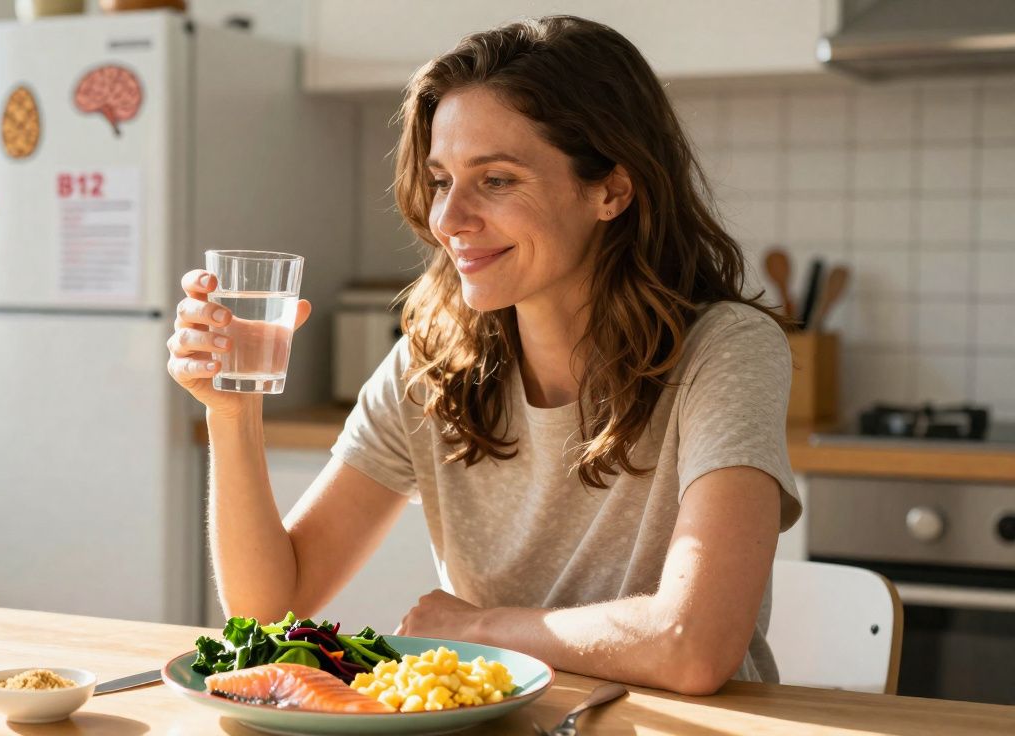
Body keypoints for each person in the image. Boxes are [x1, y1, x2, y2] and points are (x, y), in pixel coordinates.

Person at [166, 15, 801, 696]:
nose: (449, 218)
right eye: (441, 179)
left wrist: (480, 629)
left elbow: (693, 647)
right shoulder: (433, 365)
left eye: (496, 180)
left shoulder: (724, 351)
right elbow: (269, 605)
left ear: (611, 191)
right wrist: (232, 415)